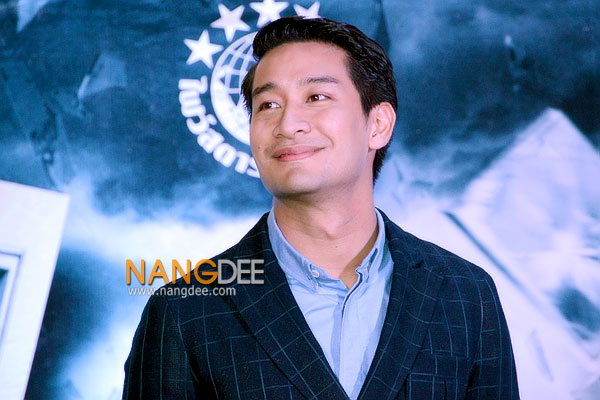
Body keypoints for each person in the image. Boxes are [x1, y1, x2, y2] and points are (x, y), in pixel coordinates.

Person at [123, 16, 519, 399]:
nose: (288, 124)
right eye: (268, 105)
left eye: (316, 97)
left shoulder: (464, 294)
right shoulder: (186, 309)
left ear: (378, 124)